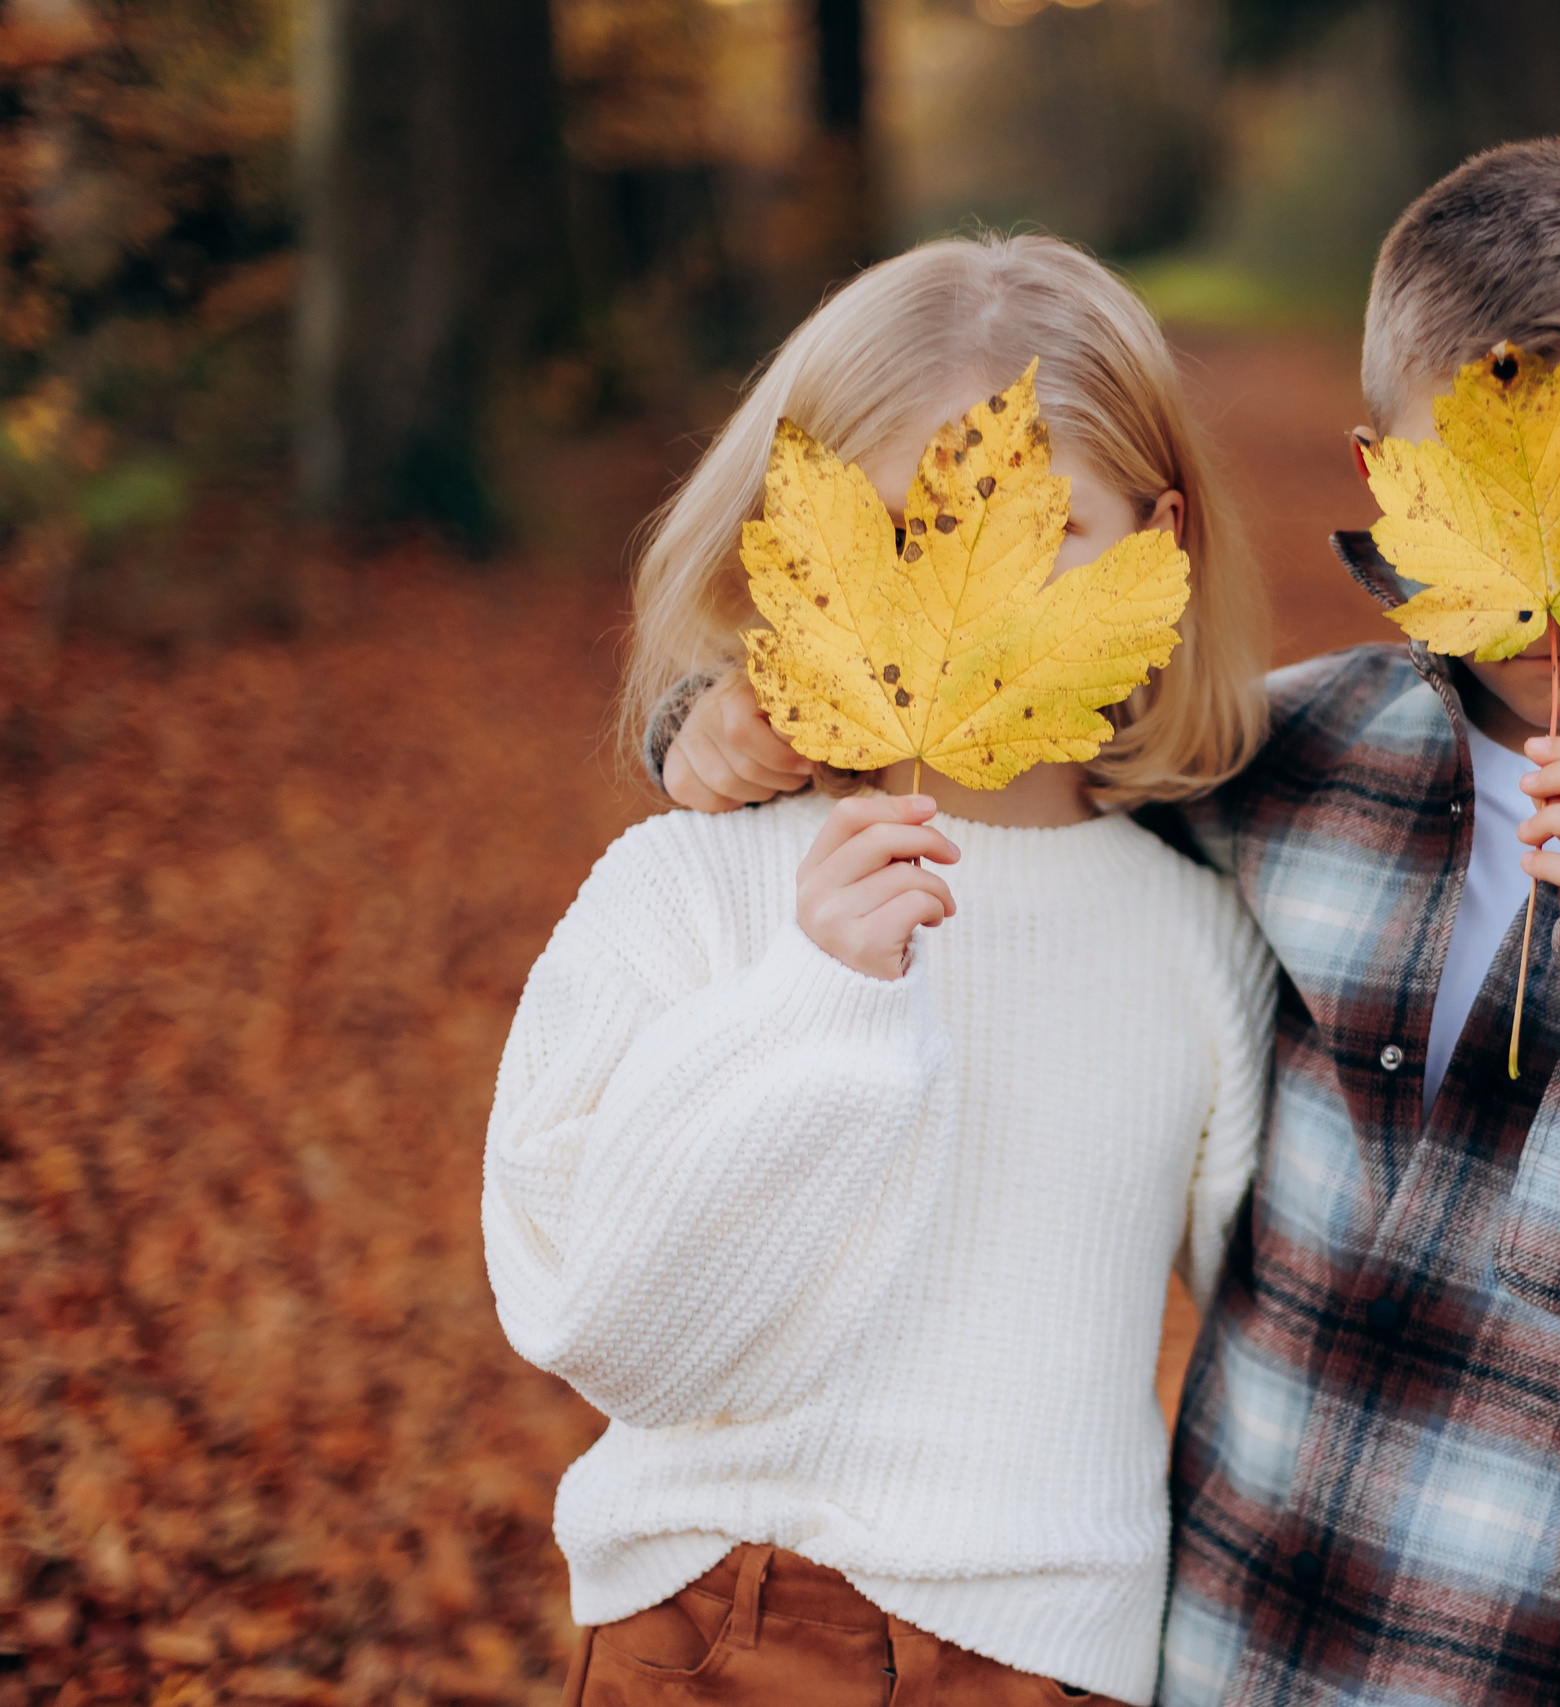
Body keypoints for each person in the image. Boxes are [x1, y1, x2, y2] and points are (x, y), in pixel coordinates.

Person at [662, 142, 1560, 1707]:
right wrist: (734, 725)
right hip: (1254, 1651)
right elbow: (995, 742)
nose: (1553, 586)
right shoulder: (1305, 761)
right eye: (1476, 502)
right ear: (1391, 487)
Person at [483, 232, 1275, 1707]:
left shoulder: (1194, 945)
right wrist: (815, 1003)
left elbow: (1288, 1352)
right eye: (894, 538)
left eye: (1052, 536)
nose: (965, 602)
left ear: (1161, 544)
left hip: (1052, 1655)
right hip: (722, 1619)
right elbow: (603, 1333)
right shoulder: (689, 888)